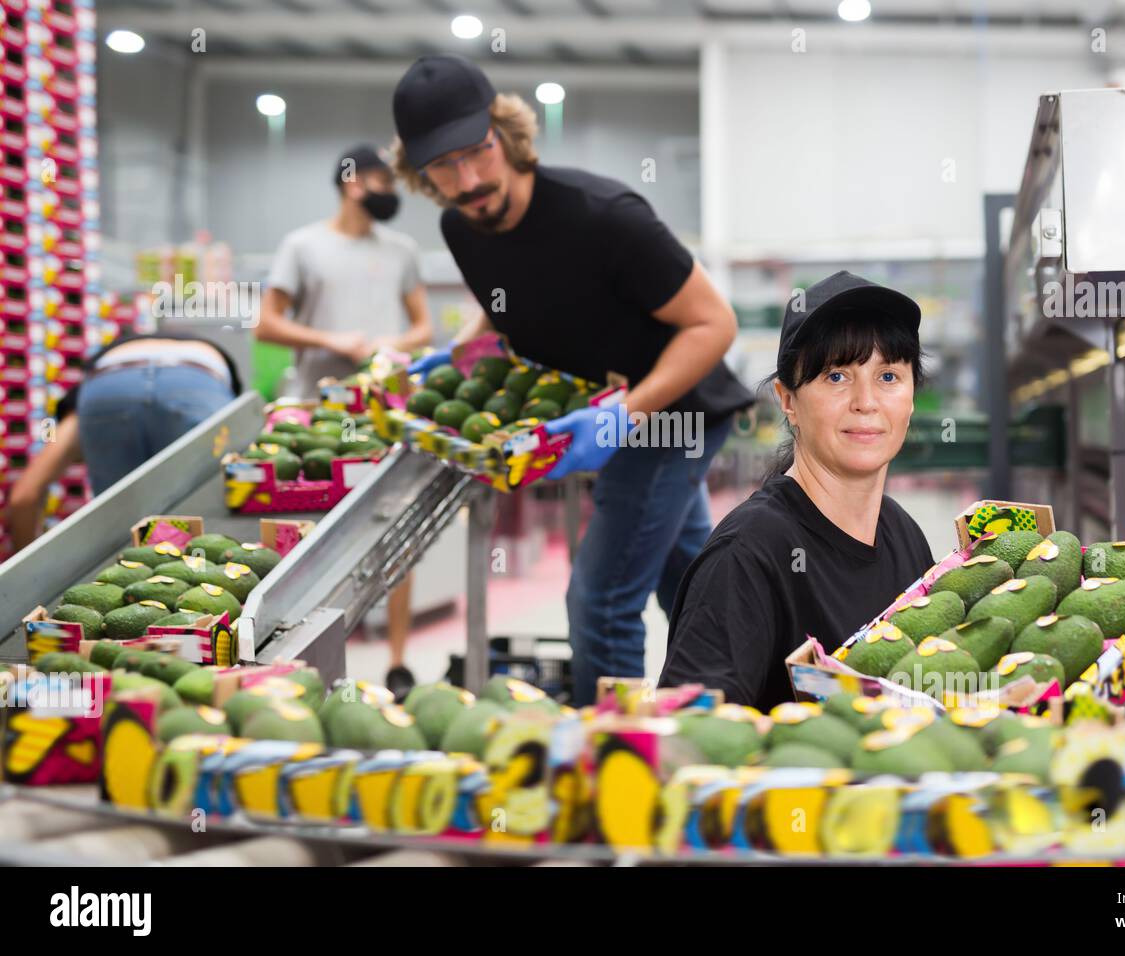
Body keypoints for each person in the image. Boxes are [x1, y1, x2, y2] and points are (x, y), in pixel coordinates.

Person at [390, 55, 754, 705]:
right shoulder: (460, 225)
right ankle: (724, 709)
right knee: (686, 581)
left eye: (478, 152)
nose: (468, 181)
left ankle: (609, 762)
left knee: (601, 598)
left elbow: (713, 325)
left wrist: (627, 416)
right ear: (420, 175)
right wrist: (464, 353)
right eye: (443, 168)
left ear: (504, 132)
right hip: (609, 409)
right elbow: (506, 301)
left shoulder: (604, 218)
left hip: (674, 412)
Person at [658, 272, 935, 711]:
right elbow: (690, 734)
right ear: (788, 401)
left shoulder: (904, 535)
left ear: (911, 396)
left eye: (887, 376)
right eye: (837, 377)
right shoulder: (746, 557)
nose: (866, 401)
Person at [254, 143, 433, 699]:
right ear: (352, 183)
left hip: (381, 414)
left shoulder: (401, 250)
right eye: (382, 181)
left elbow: (422, 327)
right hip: (317, 419)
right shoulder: (303, 246)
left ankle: (398, 664)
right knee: (316, 545)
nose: (390, 193)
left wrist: (385, 346)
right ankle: (320, 663)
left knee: (397, 534)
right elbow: (266, 324)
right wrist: (332, 340)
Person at [2, 332, 240, 550]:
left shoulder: (77, 412)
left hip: (109, 382)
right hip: (200, 372)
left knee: (121, 537)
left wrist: (29, 584)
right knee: (212, 522)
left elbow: (24, 496)